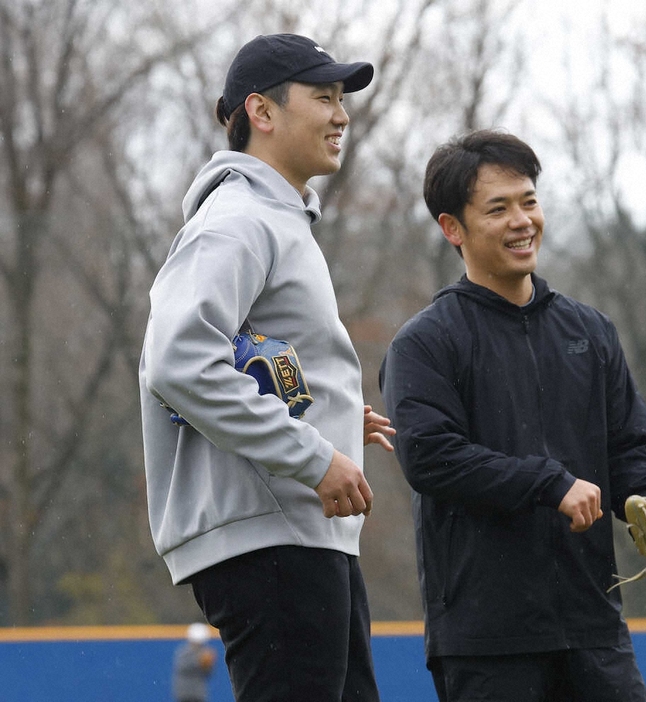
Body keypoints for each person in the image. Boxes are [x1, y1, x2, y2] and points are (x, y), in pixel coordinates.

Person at [139, 33, 394, 702]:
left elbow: (245, 355)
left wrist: (331, 417)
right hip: (269, 535)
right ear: (262, 111)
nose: (341, 115)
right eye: (323, 97)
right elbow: (177, 361)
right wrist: (311, 455)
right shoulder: (238, 217)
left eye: (342, 99)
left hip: (302, 532)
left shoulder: (276, 217)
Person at [379, 130, 646, 702]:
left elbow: (631, 446)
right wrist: (550, 483)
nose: (522, 221)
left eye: (529, 201)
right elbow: (431, 457)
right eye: (499, 208)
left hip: (594, 628)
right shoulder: (425, 343)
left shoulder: (591, 331)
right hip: (487, 643)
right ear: (452, 229)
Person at [172, 623, 217, 702]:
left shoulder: (205, 652)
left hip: (198, 693)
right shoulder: (184, 652)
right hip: (184, 693)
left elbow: (207, 673)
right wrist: (199, 661)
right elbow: (183, 666)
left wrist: (208, 665)